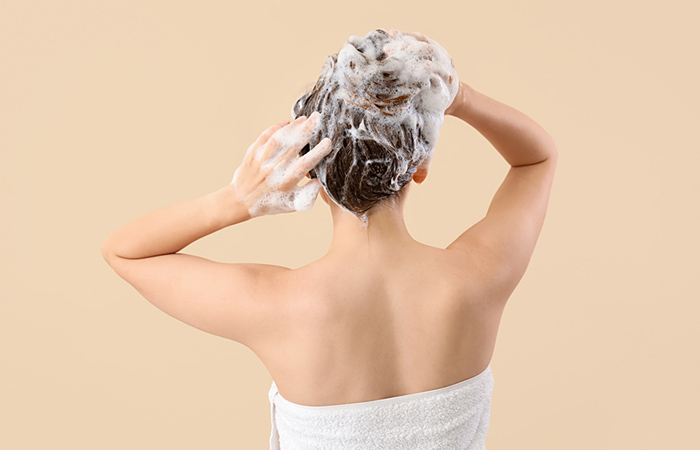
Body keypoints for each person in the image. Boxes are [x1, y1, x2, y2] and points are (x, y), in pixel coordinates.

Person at [101, 29, 557, 450]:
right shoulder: (478, 277)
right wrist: (457, 96)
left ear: (309, 172)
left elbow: (125, 251)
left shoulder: (276, 305)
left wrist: (238, 200)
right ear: (420, 167)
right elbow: (537, 158)